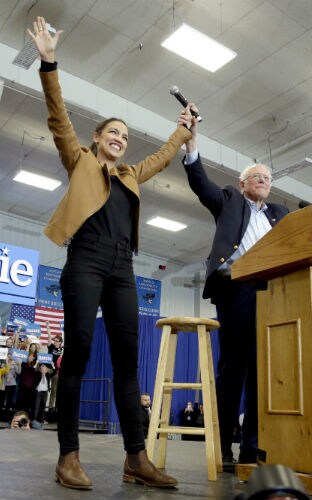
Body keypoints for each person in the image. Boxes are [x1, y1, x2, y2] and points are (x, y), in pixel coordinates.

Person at [27, 15, 192, 490]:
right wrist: (49, 63)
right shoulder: (79, 160)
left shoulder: (129, 176)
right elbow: (58, 115)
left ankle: (136, 459)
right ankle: (68, 456)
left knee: (126, 362)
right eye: (112, 132)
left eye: (124, 135)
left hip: (123, 266)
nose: (119, 138)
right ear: (98, 138)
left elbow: (161, 156)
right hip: (85, 260)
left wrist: (183, 131)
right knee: (77, 352)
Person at [181, 104, 289, 467]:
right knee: (233, 372)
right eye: (257, 176)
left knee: (262, 374)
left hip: (274, 297)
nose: (264, 180)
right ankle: (224, 446)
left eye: (268, 178)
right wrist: (191, 142)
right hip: (237, 290)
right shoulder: (229, 200)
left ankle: (252, 447)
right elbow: (200, 183)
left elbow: (305, 237)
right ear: (243, 184)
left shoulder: (280, 214)